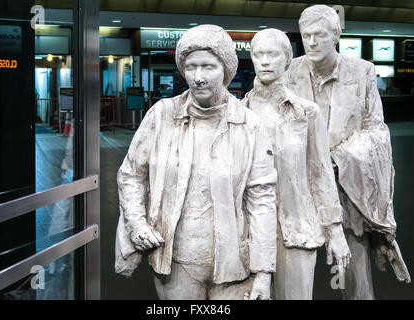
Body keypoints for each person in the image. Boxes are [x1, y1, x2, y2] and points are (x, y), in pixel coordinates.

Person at [115, 24, 278, 300]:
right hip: (176, 262)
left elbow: (262, 199)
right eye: (191, 67)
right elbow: (131, 175)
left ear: (226, 70)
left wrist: (264, 273)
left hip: (235, 264)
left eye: (208, 67)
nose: (198, 77)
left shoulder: (249, 125)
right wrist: (137, 224)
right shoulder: (162, 116)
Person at [284, 5, 410, 299]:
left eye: (319, 35)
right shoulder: (289, 72)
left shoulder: (361, 71)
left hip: (346, 185)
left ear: (336, 35)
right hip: (298, 185)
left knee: (354, 274)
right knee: (294, 271)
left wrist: (338, 157)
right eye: (306, 36)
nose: (312, 42)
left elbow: (376, 129)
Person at [242, 28, 351, 300]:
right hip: (248, 232)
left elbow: (321, 174)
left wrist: (335, 231)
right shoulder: (239, 114)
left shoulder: (306, 113)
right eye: (258, 55)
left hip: (296, 227)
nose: (265, 61)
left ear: (287, 58)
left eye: (273, 54)